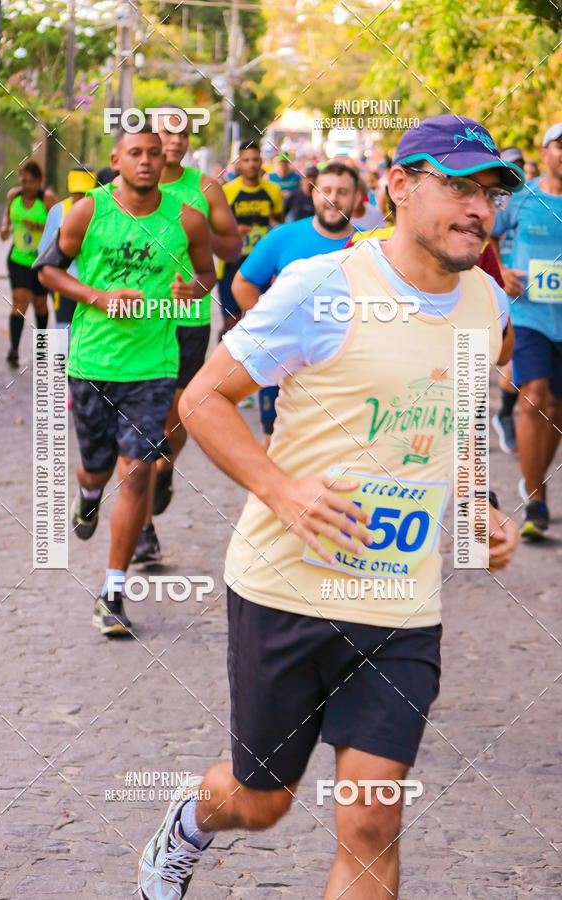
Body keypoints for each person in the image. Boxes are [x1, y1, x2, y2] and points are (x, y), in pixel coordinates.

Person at [138, 114, 521, 899]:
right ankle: (188, 823)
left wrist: (475, 496)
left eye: (490, 193)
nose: (479, 207)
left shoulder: (488, 304)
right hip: (286, 589)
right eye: (457, 185)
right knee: (262, 800)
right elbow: (203, 397)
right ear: (399, 187)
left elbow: (458, 406)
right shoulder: (327, 285)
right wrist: (282, 489)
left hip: (400, 603)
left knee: (373, 821)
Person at [35, 124, 215, 636]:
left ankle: (113, 592)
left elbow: (208, 276)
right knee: (95, 469)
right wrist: (97, 296)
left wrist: (192, 288)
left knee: (137, 471)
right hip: (91, 363)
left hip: (154, 364)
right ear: (116, 157)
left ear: (164, 161)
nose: (146, 161)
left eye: (154, 154)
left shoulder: (187, 219)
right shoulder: (89, 211)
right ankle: (88, 497)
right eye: (135, 153)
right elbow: (48, 270)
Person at [132, 107, 242, 564]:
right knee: (143, 421)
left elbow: (232, 245)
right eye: (165, 132)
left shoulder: (205, 187)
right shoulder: (127, 185)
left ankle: (166, 466)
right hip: (139, 320)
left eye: (181, 134)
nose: (174, 141)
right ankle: (144, 529)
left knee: (175, 420)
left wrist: (198, 234)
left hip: (189, 317)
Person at [232, 160, 361, 447]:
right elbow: (242, 282)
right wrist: (267, 327)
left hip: (343, 369)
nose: (333, 198)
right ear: (314, 194)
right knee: (275, 440)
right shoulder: (283, 237)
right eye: (326, 190)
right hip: (283, 364)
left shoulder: (368, 243)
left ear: (356, 198)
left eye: (342, 191)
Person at [492, 122, 562, 538]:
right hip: (530, 314)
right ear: (546, 150)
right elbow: (491, 237)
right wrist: (502, 272)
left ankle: (536, 483)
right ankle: (535, 502)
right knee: (534, 395)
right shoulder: (522, 196)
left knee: (555, 408)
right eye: (560, 145)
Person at [217, 140, 283, 338]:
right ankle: (223, 362)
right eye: (246, 160)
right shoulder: (228, 191)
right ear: (238, 163)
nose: (252, 164)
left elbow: (280, 224)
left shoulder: (273, 191)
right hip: (231, 264)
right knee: (231, 324)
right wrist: (234, 230)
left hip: (261, 263)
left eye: (255, 160)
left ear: (261, 161)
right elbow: (215, 228)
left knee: (258, 321)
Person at [0, 161, 57, 367]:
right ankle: (14, 350)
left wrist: (38, 225)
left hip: (42, 261)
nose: (26, 185)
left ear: (39, 181)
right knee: (20, 302)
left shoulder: (47, 199)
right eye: (23, 180)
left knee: (40, 304)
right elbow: (7, 218)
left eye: (31, 181)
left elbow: (61, 225)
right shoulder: (13, 196)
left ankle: (41, 348)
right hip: (18, 259)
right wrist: (5, 228)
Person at [490, 147, 525, 454]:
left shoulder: (534, 198)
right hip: (508, 288)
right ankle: (504, 414)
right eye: (509, 166)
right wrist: (500, 271)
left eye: (519, 166)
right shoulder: (495, 202)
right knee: (512, 360)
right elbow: (491, 236)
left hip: (542, 290)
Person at [39, 167, 97, 337]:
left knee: (88, 334)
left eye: (85, 192)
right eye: (76, 191)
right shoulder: (58, 211)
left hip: (93, 283)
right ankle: (53, 364)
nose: (80, 196)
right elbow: (44, 250)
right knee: (62, 333)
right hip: (64, 284)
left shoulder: (103, 212)